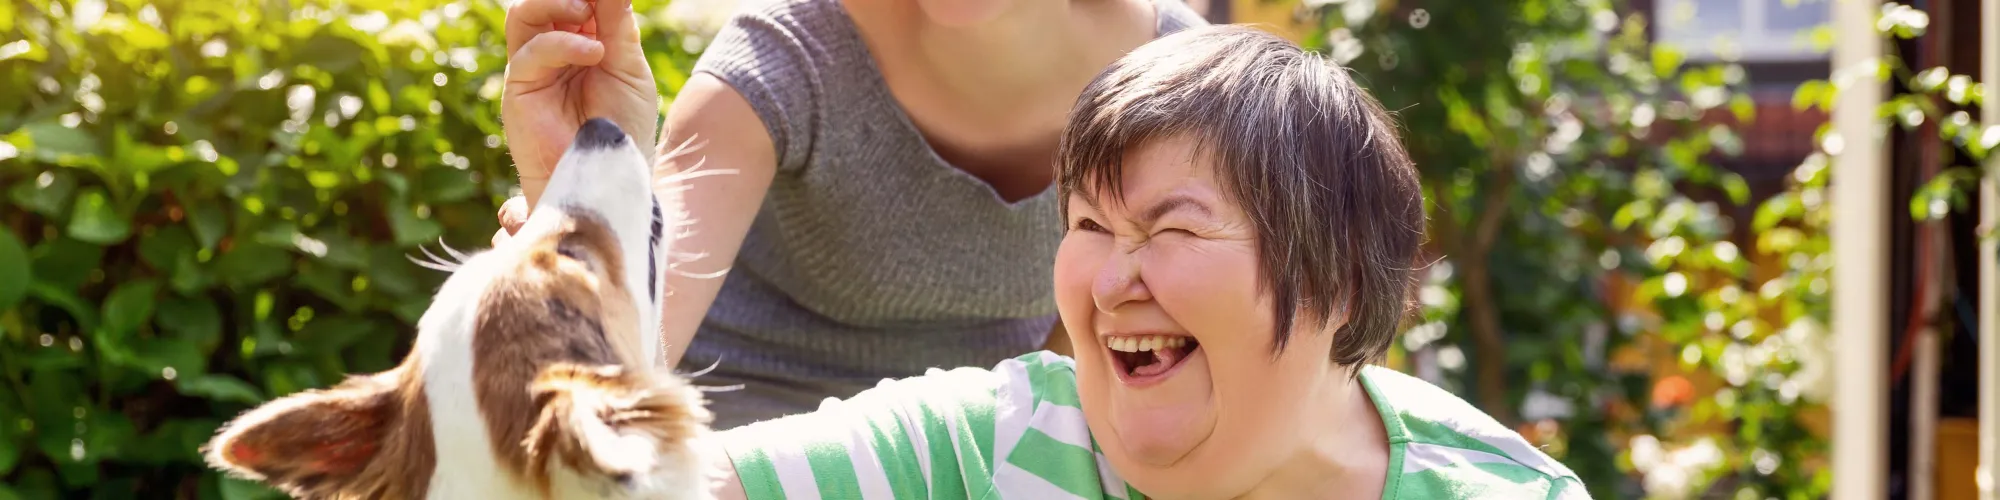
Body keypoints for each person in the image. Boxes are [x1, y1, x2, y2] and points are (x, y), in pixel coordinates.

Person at [697, 25, 1592, 500]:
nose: (1111, 281)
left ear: (1340, 280)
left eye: (1175, 232)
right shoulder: (984, 445)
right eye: (1090, 225)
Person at [497, 0, 1210, 429]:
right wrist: (586, 194)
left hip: (969, 440)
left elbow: (1077, 384)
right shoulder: (783, 56)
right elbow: (614, 372)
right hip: (736, 437)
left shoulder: (1181, 79)